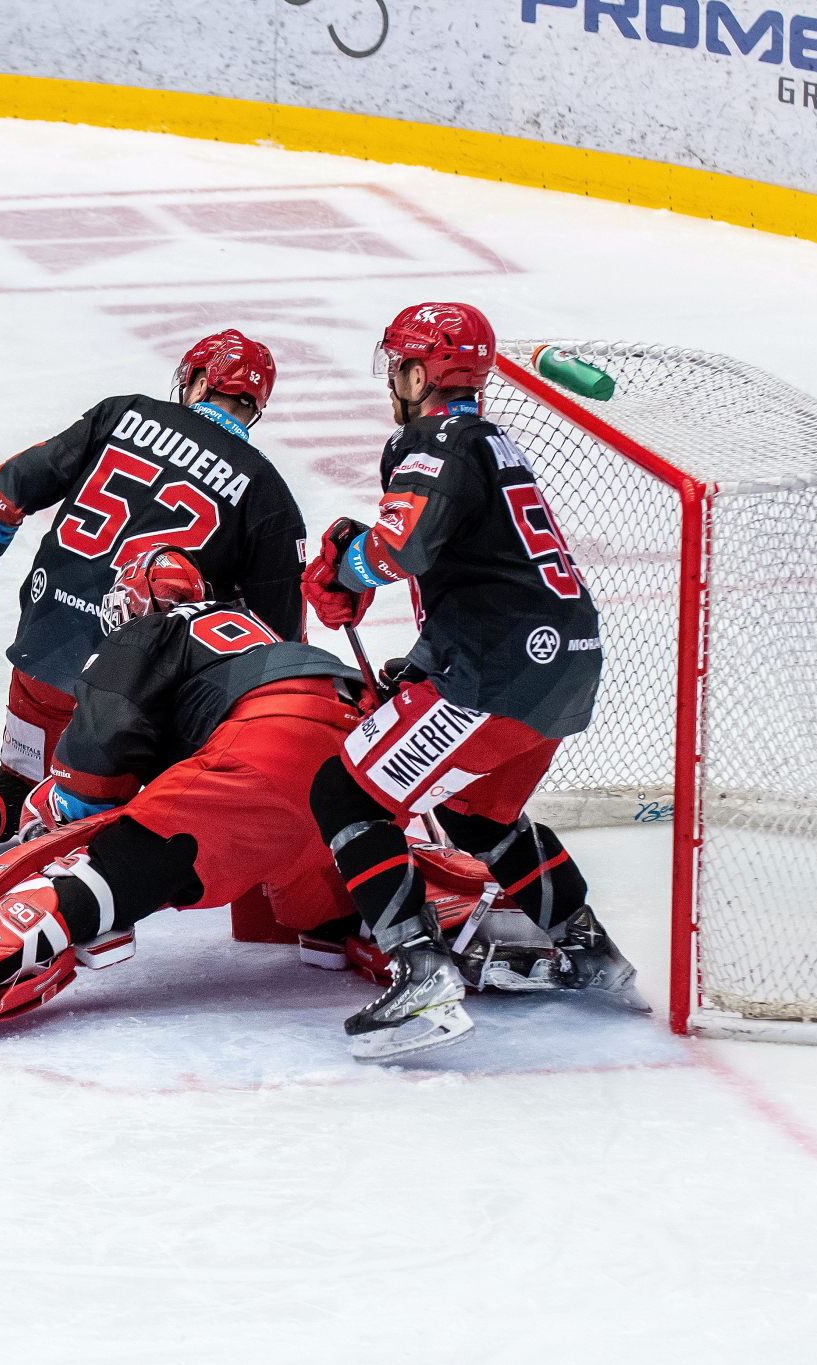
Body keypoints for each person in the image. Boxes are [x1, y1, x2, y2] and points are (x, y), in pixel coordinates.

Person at [0, 546, 366, 1048]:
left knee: (108, 863)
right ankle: (379, 934)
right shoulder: (260, 632)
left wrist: (63, 808)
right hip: (354, 758)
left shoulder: (152, 630)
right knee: (333, 896)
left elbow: (99, 755)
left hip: (260, 752)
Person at [301, 300, 642, 1064]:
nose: (393, 380)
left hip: (496, 669)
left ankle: (421, 974)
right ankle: (588, 950)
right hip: (566, 662)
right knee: (479, 816)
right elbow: (482, 569)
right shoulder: (493, 441)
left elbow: (405, 547)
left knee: (346, 792)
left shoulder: (431, 438)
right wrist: (423, 659)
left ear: (424, 374)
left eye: (400, 366)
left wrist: (346, 569)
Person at [0, 330, 306, 873]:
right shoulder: (268, 495)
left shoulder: (123, 413)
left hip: (45, 643)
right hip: (136, 686)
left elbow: (13, 485)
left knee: (24, 777)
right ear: (253, 407)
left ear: (200, 382)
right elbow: (278, 644)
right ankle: (80, 848)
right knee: (146, 805)